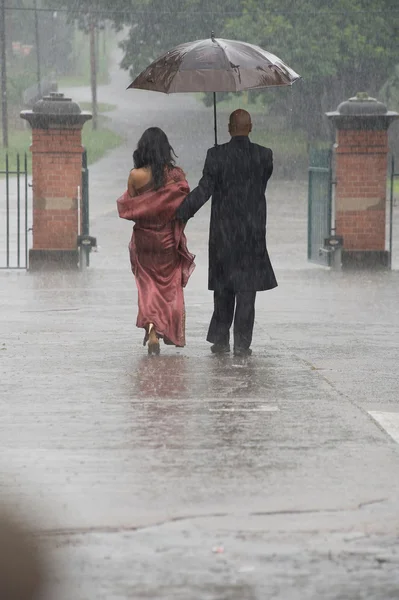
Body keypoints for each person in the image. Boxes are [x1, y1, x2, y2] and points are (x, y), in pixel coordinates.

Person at [176, 109, 277, 356]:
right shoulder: (264, 156)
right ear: (250, 127)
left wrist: (181, 212)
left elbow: (204, 190)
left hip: (223, 233)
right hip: (252, 233)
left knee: (224, 288)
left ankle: (220, 339)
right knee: (247, 291)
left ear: (229, 128)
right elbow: (260, 183)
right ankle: (242, 344)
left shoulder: (216, 155)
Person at [117, 127, 195, 355]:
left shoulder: (135, 176)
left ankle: (152, 329)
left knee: (147, 285)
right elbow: (183, 206)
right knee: (170, 286)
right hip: (167, 240)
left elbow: (132, 207)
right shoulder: (177, 176)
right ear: (165, 149)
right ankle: (166, 325)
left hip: (144, 239)